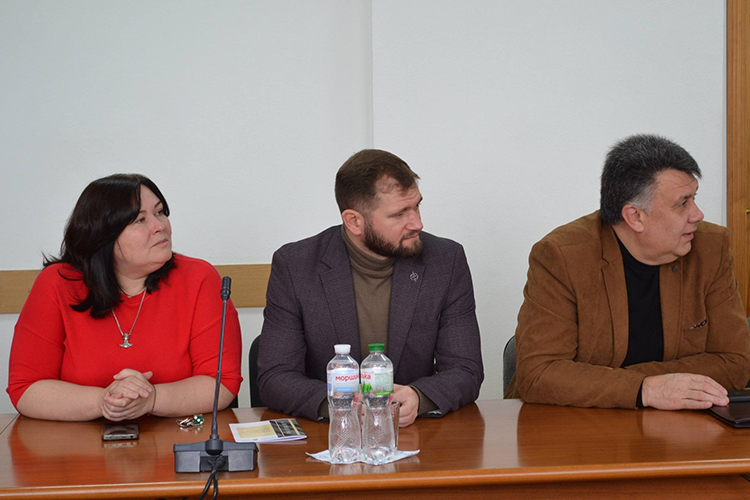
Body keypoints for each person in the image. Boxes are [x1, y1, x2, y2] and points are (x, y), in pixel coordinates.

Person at [507, 134, 750, 410]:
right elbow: (539, 373)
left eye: (694, 198)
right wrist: (645, 389)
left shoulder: (711, 247)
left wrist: (626, 383)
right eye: (683, 203)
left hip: (677, 423)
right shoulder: (561, 256)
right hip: (575, 423)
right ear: (634, 217)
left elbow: (735, 363)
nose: (698, 215)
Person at [258, 149, 483, 426]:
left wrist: (419, 397)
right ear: (354, 221)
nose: (417, 223)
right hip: (330, 436)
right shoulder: (296, 266)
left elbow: (466, 369)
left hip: (416, 433)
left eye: (416, 206)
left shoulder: (445, 261)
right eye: (399, 214)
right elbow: (275, 377)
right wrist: (342, 405)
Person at [7, 174, 242, 421]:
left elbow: (221, 382)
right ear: (102, 234)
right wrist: (104, 401)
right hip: (77, 440)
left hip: (178, 436)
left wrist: (151, 399)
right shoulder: (57, 283)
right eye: (140, 220)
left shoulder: (198, 278)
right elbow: (26, 388)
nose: (160, 226)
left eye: (160, 212)